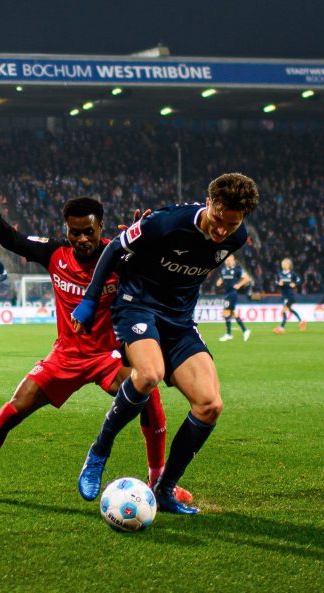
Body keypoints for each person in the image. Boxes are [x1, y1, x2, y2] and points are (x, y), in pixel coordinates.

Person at [0, 161, 191, 503]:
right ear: (66, 229)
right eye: (75, 232)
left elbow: (161, 276)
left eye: (89, 231)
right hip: (65, 356)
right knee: (14, 408)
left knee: (148, 392)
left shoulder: (120, 256)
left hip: (107, 357)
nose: (82, 239)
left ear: (101, 227)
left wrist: (147, 243)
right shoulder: (54, 252)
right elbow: (9, 238)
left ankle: (159, 482)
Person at [71, 172, 259, 514]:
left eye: (231, 225)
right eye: (218, 220)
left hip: (179, 320)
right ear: (209, 203)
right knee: (148, 374)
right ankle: (99, 451)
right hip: (136, 305)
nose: (221, 231)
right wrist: (89, 299)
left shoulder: (237, 237)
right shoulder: (166, 223)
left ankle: (165, 489)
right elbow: (115, 248)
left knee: (210, 405)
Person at [215, 253, 251, 342]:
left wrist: (239, 284)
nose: (228, 261)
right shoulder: (223, 271)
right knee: (234, 314)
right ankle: (245, 330)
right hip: (227, 293)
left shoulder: (237, 270)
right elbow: (222, 279)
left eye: (230, 260)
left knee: (226, 312)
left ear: (233, 261)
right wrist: (219, 281)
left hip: (232, 294)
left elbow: (247, 278)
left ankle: (228, 334)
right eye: (226, 260)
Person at [273, 258, 305, 334]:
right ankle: (301, 322)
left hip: (290, 295)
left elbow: (299, 280)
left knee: (284, 310)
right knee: (289, 309)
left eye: (285, 264)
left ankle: (281, 327)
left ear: (289, 265)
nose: (283, 265)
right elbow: (276, 282)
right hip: (284, 295)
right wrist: (278, 284)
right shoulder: (279, 274)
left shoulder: (292, 274)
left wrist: (295, 284)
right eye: (283, 263)